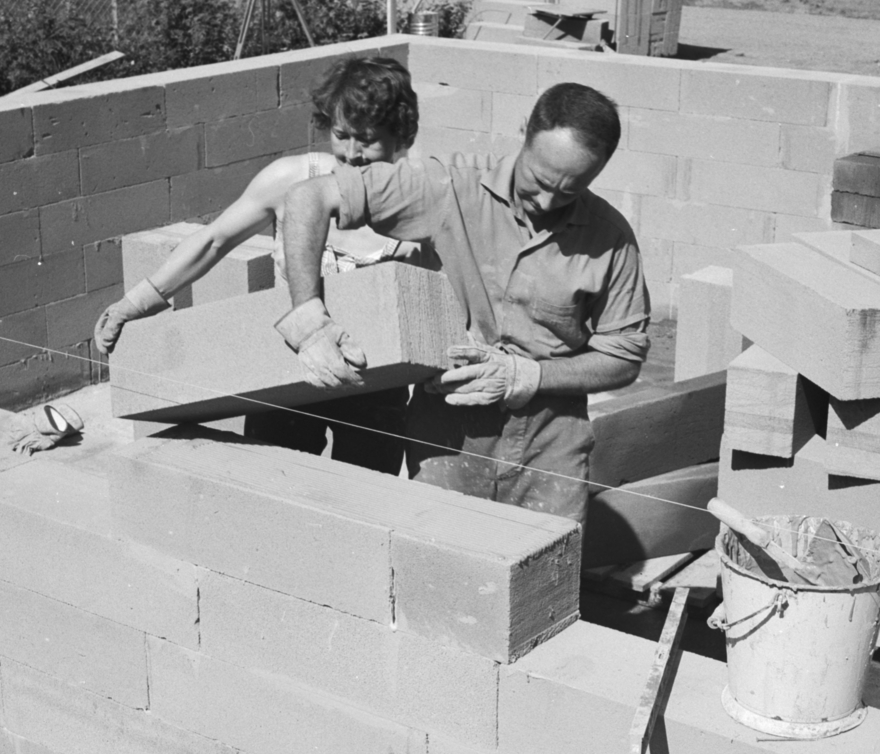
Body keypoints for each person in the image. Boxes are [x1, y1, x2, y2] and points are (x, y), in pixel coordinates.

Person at [276, 82, 650, 524]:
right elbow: (309, 197)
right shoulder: (449, 189)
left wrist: (527, 375)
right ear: (524, 133)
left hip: (551, 443)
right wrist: (308, 316)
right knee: (438, 551)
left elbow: (623, 357)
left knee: (546, 561)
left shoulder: (611, 239)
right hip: (448, 433)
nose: (548, 202)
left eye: (570, 191)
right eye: (539, 181)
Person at [92, 55, 422, 474]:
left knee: (364, 497)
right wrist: (135, 303)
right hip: (286, 370)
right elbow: (214, 240)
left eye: (369, 140)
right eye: (341, 135)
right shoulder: (291, 179)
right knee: (271, 480)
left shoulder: (421, 201)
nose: (352, 154)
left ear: (401, 136)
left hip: (374, 382)